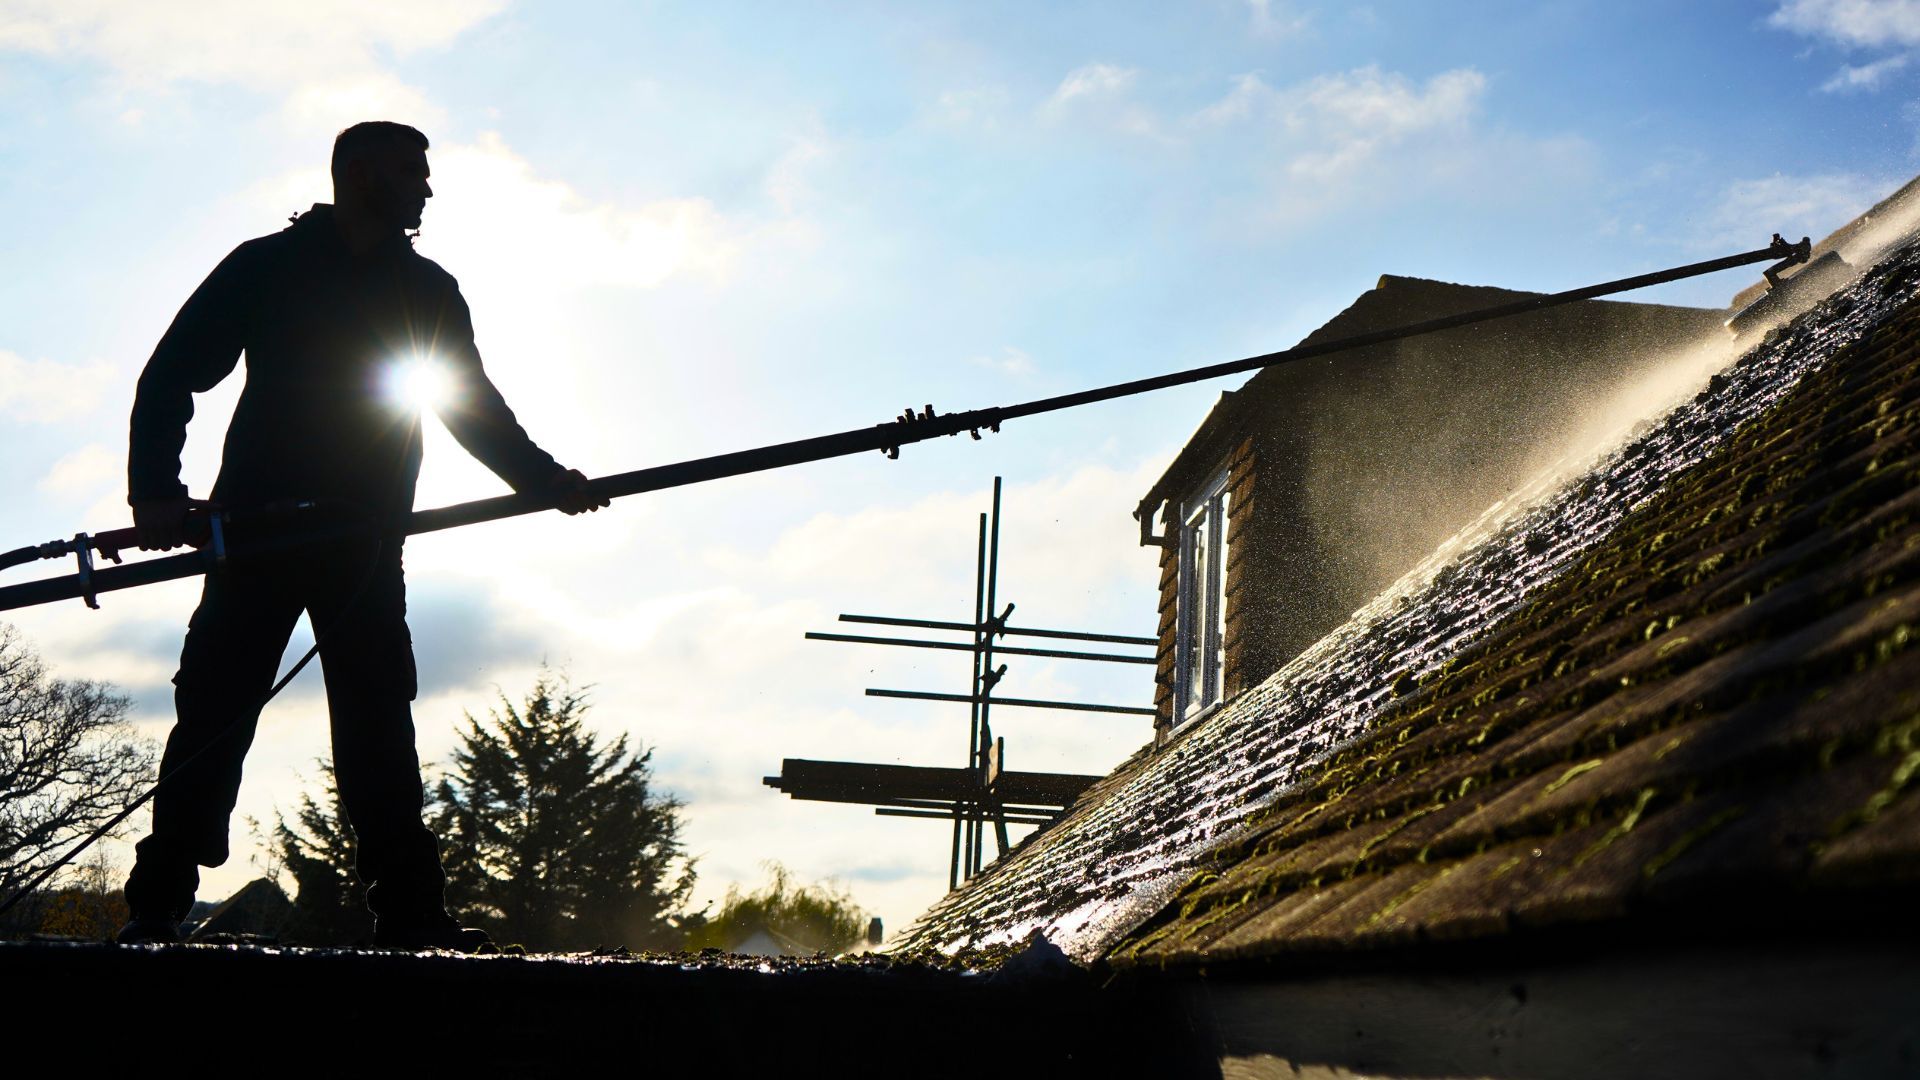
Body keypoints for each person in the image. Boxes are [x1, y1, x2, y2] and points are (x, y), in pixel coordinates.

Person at [116, 121, 608, 950]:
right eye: (412, 172)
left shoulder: (428, 289)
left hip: (366, 547)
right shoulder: (264, 266)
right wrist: (156, 494)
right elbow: (173, 371)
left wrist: (544, 481)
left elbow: (470, 407)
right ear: (360, 173)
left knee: (380, 726)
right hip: (254, 537)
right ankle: (158, 906)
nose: (426, 188)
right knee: (212, 717)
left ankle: (412, 916)